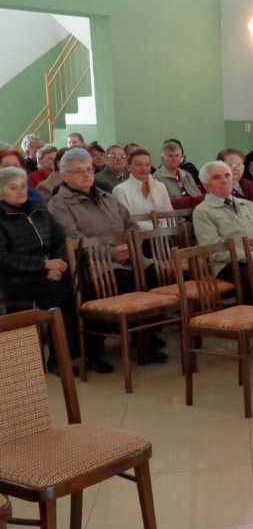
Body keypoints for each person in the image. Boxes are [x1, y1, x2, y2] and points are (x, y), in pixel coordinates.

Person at [48, 147, 167, 370]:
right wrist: (112, 253)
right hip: (92, 263)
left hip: (126, 254)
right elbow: (73, 239)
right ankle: (95, 349)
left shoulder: (105, 196)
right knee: (125, 280)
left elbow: (130, 223)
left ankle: (146, 337)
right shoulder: (59, 203)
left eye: (89, 169)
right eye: (78, 171)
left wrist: (130, 246)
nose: (86, 175)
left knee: (152, 273)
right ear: (64, 175)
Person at [192, 160, 253, 366]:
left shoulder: (247, 204)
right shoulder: (203, 211)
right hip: (229, 262)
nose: (224, 181)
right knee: (252, 281)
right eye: (217, 177)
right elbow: (214, 248)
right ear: (206, 185)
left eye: (227, 175)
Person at [0, 167, 75, 374]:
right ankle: (60, 361)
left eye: (23, 186)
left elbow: (61, 240)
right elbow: (3, 259)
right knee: (60, 296)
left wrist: (57, 264)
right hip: (17, 279)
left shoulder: (39, 209)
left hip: (50, 270)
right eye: (12, 187)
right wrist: (45, 265)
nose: (20, 191)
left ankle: (75, 354)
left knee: (79, 287)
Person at [112, 148, 173, 230]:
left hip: (165, 233)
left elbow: (170, 214)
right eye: (138, 165)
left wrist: (164, 229)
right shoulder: (120, 190)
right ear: (128, 167)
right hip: (137, 236)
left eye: (147, 165)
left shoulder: (160, 186)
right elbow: (128, 221)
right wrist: (156, 229)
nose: (143, 168)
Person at [217, 148, 253, 214]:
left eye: (239, 165)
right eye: (231, 165)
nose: (236, 168)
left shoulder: (247, 184)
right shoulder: (217, 189)